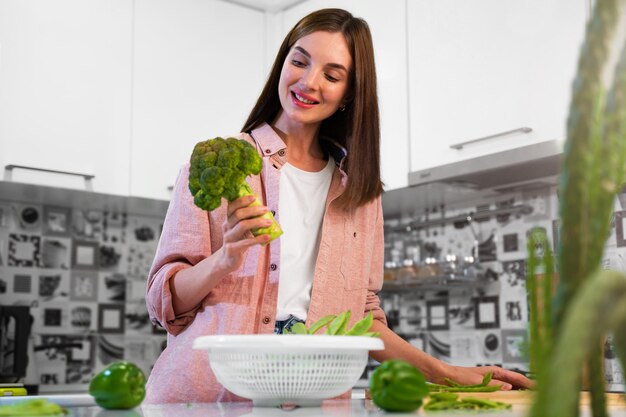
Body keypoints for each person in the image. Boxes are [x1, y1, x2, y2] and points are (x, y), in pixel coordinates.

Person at [144, 8, 532, 404]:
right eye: (299, 61)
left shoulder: (360, 192)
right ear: (282, 64)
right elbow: (162, 300)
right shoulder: (221, 165)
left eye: (331, 75)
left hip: (316, 400)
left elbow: (360, 320)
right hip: (206, 400)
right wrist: (224, 260)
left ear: (349, 93)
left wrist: (447, 372)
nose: (309, 82)